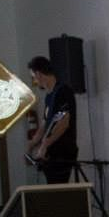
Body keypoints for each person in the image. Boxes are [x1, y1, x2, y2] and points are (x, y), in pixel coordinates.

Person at [26, 56, 77, 184]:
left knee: (58, 191)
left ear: (38, 74)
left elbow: (63, 122)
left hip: (62, 152)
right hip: (52, 153)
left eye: (33, 77)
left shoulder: (63, 91)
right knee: (52, 190)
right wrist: (32, 143)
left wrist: (44, 144)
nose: (34, 81)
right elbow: (45, 123)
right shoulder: (49, 96)